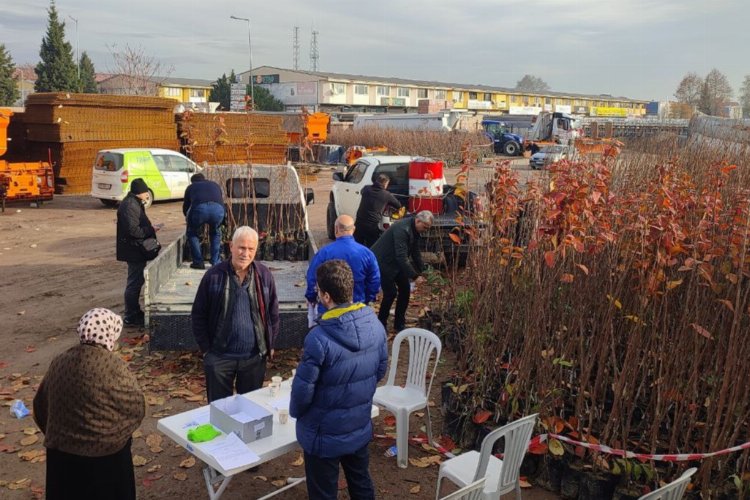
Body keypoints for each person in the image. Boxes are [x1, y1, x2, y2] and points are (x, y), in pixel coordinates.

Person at [291, 260, 388, 500]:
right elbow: (380, 371)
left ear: (325, 296)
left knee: (323, 491)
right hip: (358, 425)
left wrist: (297, 414)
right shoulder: (375, 325)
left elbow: (302, 394)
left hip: (324, 434)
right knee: (361, 481)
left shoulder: (318, 338)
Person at [33, 308, 145, 500]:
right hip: (105, 460)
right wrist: (114, 435)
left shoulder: (59, 361)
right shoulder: (114, 366)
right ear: (110, 334)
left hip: (61, 456)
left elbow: (41, 404)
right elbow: (136, 407)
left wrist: (63, 435)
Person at [192, 225, 279, 402]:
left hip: (253, 358)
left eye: (250, 249)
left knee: (250, 411)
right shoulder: (214, 276)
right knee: (219, 413)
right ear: (231, 246)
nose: (245, 253)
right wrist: (207, 351)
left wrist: (269, 344)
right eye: (241, 247)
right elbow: (198, 315)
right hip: (219, 358)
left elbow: (273, 313)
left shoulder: (264, 275)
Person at [371, 210, 433, 332]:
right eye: (425, 227)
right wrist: (415, 276)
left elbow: (415, 252)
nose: (425, 230)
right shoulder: (402, 229)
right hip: (383, 262)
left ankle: (399, 324)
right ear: (418, 220)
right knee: (391, 293)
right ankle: (381, 323)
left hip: (396, 263)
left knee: (405, 290)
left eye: (428, 228)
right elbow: (401, 256)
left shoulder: (415, 230)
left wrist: (423, 270)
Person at [306, 214, 380, 316]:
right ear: (353, 229)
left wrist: (311, 297)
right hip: (357, 307)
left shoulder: (324, 253)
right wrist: (367, 299)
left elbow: (312, 278)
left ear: (336, 229)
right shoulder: (367, 254)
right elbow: (374, 281)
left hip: (329, 311)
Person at [116, 178, 158, 327]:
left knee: (137, 280)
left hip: (135, 248)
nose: (147, 194)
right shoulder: (129, 206)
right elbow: (133, 230)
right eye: (146, 191)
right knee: (134, 282)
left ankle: (134, 311)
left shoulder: (134, 203)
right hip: (133, 249)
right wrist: (151, 230)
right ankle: (130, 315)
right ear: (140, 192)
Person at [183, 173, 225, 269]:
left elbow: (186, 205)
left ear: (193, 181)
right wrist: (223, 219)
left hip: (199, 209)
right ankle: (215, 262)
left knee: (192, 233)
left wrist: (189, 219)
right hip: (218, 210)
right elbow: (221, 201)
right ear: (204, 179)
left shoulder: (191, 187)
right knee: (215, 233)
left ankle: (198, 262)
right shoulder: (215, 184)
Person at [354, 173, 402, 248]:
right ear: (385, 183)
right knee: (373, 247)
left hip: (359, 223)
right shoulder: (386, 194)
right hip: (372, 225)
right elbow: (398, 205)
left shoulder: (366, 188)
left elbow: (362, 192)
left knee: (356, 246)